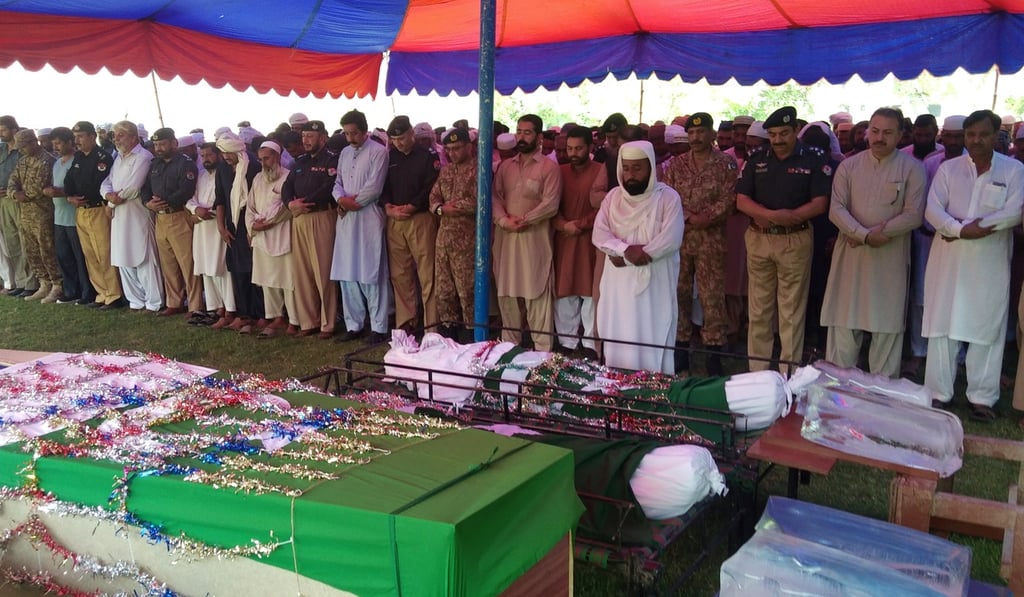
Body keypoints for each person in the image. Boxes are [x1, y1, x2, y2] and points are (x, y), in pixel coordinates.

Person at [924, 110, 1024, 422]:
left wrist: (969, 229)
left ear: (997, 136)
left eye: (983, 134)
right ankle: (938, 393)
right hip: (948, 260)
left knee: (986, 328)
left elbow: (1015, 210)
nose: (976, 140)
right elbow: (932, 209)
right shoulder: (948, 169)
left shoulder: (1013, 170)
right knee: (943, 326)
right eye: (971, 134)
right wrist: (958, 230)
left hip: (988, 262)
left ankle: (982, 398)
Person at [820, 107, 926, 377]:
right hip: (851, 257)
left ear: (901, 135)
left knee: (886, 323)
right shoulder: (849, 166)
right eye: (875, 131)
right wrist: (864, 234)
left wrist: (882, 232)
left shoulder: (912, 168)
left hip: (888, 258)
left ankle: (882, 392)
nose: (880, 138)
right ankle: (837, 387)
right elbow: (836, 209)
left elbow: (914, 214)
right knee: (844, 320)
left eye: (888, 133)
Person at [736, 106, 831, 374]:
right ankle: (759, 373)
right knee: (759, 310)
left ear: (796, 130)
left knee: (791, 311)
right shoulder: (757, 157)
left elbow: (820, 203)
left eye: (784, 133)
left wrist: (791, 216)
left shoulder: (813, 157)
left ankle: (788, 374)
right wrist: (771, 215)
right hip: (760, 238)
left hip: (795, 239)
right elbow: (741, 199)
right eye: (774, 134)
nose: (778, 140)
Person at [592, 140, 684, 373]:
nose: (630, 175)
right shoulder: (612, 198)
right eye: (626, 168)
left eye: (637, 168)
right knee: (618, 330)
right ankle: (617, 388)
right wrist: (624, 249)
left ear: (651, 168)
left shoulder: (667, 198)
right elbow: (599, 234)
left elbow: (671, 239)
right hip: (618, 285)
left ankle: (653, 389)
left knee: (652, 330)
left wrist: (632, 256)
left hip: (655, 282)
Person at [663, 112, 737, 375]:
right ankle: (680, 351)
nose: (695, 137)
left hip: (711, 241)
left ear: (712, 134)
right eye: (691, 133)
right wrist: (686, 217)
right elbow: (667, 196)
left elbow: (729, 199)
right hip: (680, 239)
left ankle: (714, 356)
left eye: (701, 132)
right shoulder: (676, 164)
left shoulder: (726, 164)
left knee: (711, 296)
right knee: (679, 292)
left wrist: (703, 217)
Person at [492, 113, 562, 351]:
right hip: (506, 241)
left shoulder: (549, 168)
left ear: (539, 137)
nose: (521, 137)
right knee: (507, 295)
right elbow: (495, 197)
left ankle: (542, 353)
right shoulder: (505, 167)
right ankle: (509, 349)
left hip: (534, 242)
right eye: (519, 131)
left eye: (527, 132)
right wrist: (503, 220)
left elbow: (551, 203)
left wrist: (523, 220)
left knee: (536, 294)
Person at [904, 115, 967, 377]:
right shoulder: (931, 163)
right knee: (921, 297)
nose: (953, 141)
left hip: (965, 243)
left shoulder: (978, 164)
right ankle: (919, 353)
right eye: (949, 136)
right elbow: (923, 204)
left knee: (960, 297)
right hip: (927, 239)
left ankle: (959, 356)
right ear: (942, 135)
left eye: (958, 136)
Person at [331, 110, 390, 343]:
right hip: (346, 218)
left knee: (370, 272)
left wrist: (353, 202)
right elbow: (337, 183)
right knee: (347, 273)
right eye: (346, 133)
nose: (350, 138)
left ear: (365, 131)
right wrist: (341, 200)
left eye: (354, 133)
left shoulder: (379, 152)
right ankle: (354, 325)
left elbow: (374, 187)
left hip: (368, 217)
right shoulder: (344, 153)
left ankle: (378, 327)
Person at [382, 115, 440, 333]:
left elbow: (431, 187)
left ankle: (432, 324)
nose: (399, 142)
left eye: (402, 137)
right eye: (395, 139)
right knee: (400, 273)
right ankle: (406, 321)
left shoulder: (427, 156)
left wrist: (413, 206)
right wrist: (388, 206)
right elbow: (383, 185)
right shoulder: (390, 158)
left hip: (420, 218)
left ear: (411, 134)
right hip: (395, 219)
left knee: (427, 272)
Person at [553, 126, 607, 358]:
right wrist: (563, 225)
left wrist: (581, 224)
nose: (573, 153)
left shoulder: (601, 170)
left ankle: (589, 345)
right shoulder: (559, 171)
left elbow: (606, 206)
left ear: (590, 147)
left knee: (589, 291)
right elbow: (550, 204)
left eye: (578, 148)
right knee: (564, 290)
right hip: (564, 238)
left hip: (590, 239)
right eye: (569, 148)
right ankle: (567, 341)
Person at [283, 120, 339, 339]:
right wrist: (290, 204)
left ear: (322, 138)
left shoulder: (332, 159)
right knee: (303, 272)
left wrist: (304, 203)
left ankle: (328, 322)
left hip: (321, 216)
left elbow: (329, 186)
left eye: (310, 136)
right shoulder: (300, 162)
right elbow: (287, 186)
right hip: (299, 218)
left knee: (323, 271)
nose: (305, 140)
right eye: (304, 136)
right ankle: (309, 320)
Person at [101, 121, 164, 312]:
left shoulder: (143, 157)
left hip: (136, 213)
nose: (116, 139)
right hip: (119, 216)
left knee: (143, 256)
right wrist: (107, 195)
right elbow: (106, 182)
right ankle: (135, 300)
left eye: (121, 135)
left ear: (134, 137)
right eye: (115, 135)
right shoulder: (118, 157)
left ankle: (154, 301)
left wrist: (111, 202)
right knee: (122, 255)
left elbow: (134, 187)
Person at [64, 121, 119, 307]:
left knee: (104, 252)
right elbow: (69, 180)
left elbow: (98, 184)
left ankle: (114, 294)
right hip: (81, 211)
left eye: (80, 136)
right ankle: (101, 293)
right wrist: (70, 197)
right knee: (90, 255)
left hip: (97, 208)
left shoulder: (102, 157)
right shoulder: (78, 157)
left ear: (92, 136)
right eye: (75, 137)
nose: (77, 140)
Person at [429, 128, 477, 339]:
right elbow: (433, 197)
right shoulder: (446, 171)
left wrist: (452, 207)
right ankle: (449, 331)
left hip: (466, 240)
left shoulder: (478, 170)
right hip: (444, 239)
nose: (452, 153)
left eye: (457, 148)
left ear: (469, 146)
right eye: (448, 149)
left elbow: (478, 201)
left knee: (467, 290)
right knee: (444, 289)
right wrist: (441, 208)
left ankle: (471, 333)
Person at [247, 141, 298, 338]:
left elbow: (285, 207)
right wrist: (253, 225)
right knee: (267, 279)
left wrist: (266, 222)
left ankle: (294, 319)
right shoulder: (258, 178)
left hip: (281, 231)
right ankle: (275, 316)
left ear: (277, 157)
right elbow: (250, 207)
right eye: (260, 159)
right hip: (261, 235)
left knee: (288, 280)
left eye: (267, 158)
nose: (263, 163)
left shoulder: (288, 176)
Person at [215, 133, 263, 334]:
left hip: (250, 223)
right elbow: (220, 199)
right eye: (223, 152)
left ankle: (260, 315)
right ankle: (244, 315)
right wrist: (221, 227)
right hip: (232, 226)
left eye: (229, 152)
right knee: (238, 271)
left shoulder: (251, 167)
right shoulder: (223, 169)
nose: (226, 156)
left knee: (255, 270)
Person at [42, 127, 94, 304]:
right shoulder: (57, 163)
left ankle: (86, 291)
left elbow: (78, 188)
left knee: (80, 257)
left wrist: (60, 192)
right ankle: (70, 291)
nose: (55, 147)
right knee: (64, 256)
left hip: (73, 217)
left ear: (70, 142)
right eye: (54, 143)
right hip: (59, 217)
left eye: (59, 143)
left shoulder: (77, 161)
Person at [7, 129, 60, 303]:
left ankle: (57, 284)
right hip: (26, 214)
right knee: (31, 250)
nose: (21, 150)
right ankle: (43, 283)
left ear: (33, 142)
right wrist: (14, 193)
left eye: (23, 146)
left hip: (43, 213)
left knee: (47, 249)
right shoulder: (22, 161)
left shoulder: (47, 161)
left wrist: (23, 194)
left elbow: (38, 187)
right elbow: (12, 181)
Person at [190, 142, 235, 327]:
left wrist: (211, 212)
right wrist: (195, 209)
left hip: (218, 225)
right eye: (203, 156)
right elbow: (190, 197)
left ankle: (229, 307)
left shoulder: (225, 174)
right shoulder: (200, 176)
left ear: (218, 155)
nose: (206, 159)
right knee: (206, 266)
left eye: (209, 155)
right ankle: (215, 307)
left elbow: (225, 200)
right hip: (201, 226)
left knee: (222, 267)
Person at [0, 115, 33, 296]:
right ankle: (20, 281)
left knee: (24, 239)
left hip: (19, 199)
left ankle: (31, 283)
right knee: (11, 241)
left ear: (14, 129)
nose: (1, 133)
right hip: (3, 201)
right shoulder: (1, 149)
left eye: (3, 130)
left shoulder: (23, 150)